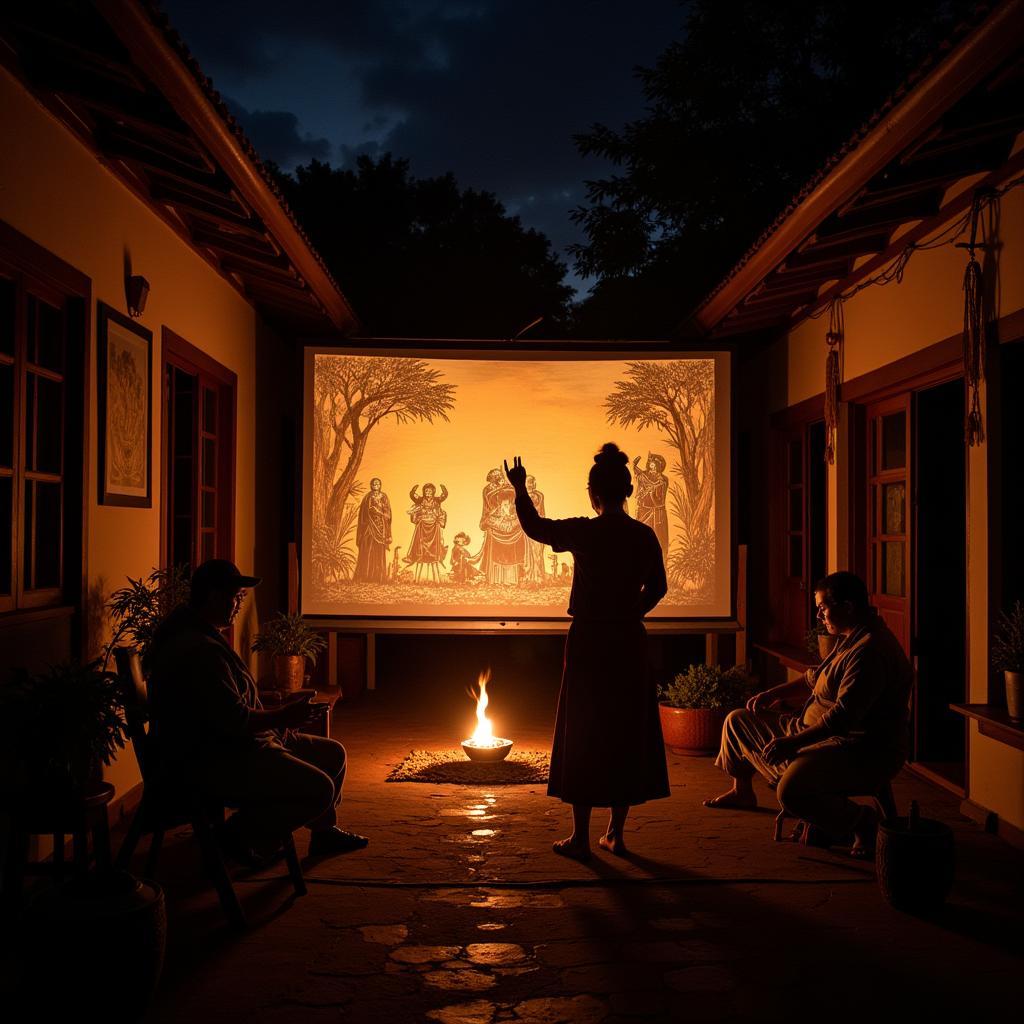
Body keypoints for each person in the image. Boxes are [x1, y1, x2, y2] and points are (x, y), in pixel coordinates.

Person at [504, 444, 669, 860]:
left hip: (590, 642)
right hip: (629, 641)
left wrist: (520, 489)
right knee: (625, 732)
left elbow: (536, 528)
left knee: (585, 731)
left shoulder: (586, 531)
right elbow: (659, 588)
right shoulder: (643, 534)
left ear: (593, 494)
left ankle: (580, 837)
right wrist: (633, 611)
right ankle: (615, 833)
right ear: (627, 490)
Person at [146, 559, 369, 865]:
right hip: (220, 758)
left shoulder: (204, 635)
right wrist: (283, 717)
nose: (238, 605)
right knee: (319, 789)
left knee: (333, 754)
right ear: (213, 597)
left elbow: (233, 709)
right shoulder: (198, 650)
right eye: (235, 598)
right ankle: (237, 836)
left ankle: (323, 833)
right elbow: (234, 720)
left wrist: (281, 718)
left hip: (247, 742)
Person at [703, 571, 911, 855]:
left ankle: (862, 822)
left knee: (790, 791)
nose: (818, 616)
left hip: (853, 748)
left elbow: (841, 719)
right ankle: (743, 792)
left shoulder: (870, 652)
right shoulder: (851, 637)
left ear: (847, 607)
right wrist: (774, 693)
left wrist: (792, 743)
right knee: (738, 721)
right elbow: (816, 678)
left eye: (823, 608)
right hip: (808, 730)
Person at [405, 483, 449, 582]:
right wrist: (413, 490)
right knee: (420, 548)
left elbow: (444, 495)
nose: (428, 492)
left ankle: (437, 580)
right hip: (422, 527)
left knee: (434, 549)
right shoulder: (420, 500)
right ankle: (417, 579)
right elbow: (413, 496)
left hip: (434, 528)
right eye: (426, 491)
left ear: (433, 492)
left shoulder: (437, 500)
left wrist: (443, 488)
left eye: (430, 491)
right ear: (424, 492)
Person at [354, 477, 392, 583]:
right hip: (368, 527)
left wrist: (378, 512)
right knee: (367, 550)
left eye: (378, 483)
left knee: (379, 552)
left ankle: (378, 578)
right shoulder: (367, 497)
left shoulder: (384, 497)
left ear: (380, 485)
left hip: (380, 528)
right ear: (371, 485)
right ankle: (365, 577)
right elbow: (362, 514)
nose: (376, 485)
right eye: (374, 483)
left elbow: (388, 515)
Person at [633, 453, 669, 553]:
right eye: (650, 464)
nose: (651, 466)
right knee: (640, 539)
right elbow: (641, 476)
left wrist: (652, 491)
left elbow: (660, 500)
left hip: (656, 514)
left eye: (653, 464)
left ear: (658, 466)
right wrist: (635, 466)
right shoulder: (645, 475)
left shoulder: (663, 479)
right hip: (643, 510)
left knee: (657, 539)